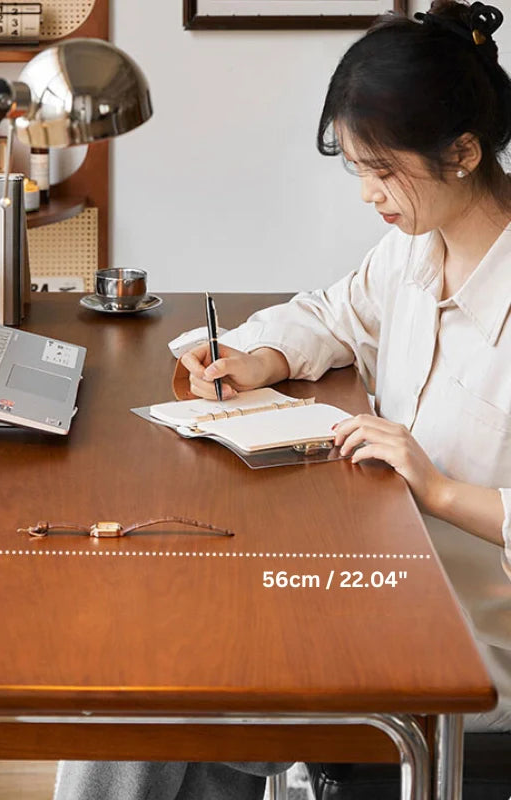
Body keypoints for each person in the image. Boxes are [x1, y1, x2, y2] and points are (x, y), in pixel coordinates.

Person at [54, 0, 511, 797]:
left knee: (167, 672)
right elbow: (332, 314)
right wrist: (258, 356)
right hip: (379, 573)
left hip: (460, 643)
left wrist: (440, 489)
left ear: (463, 152)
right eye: (358, 170)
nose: (369, 195)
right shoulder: (416, 253)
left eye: (383, 170)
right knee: (164, 628)